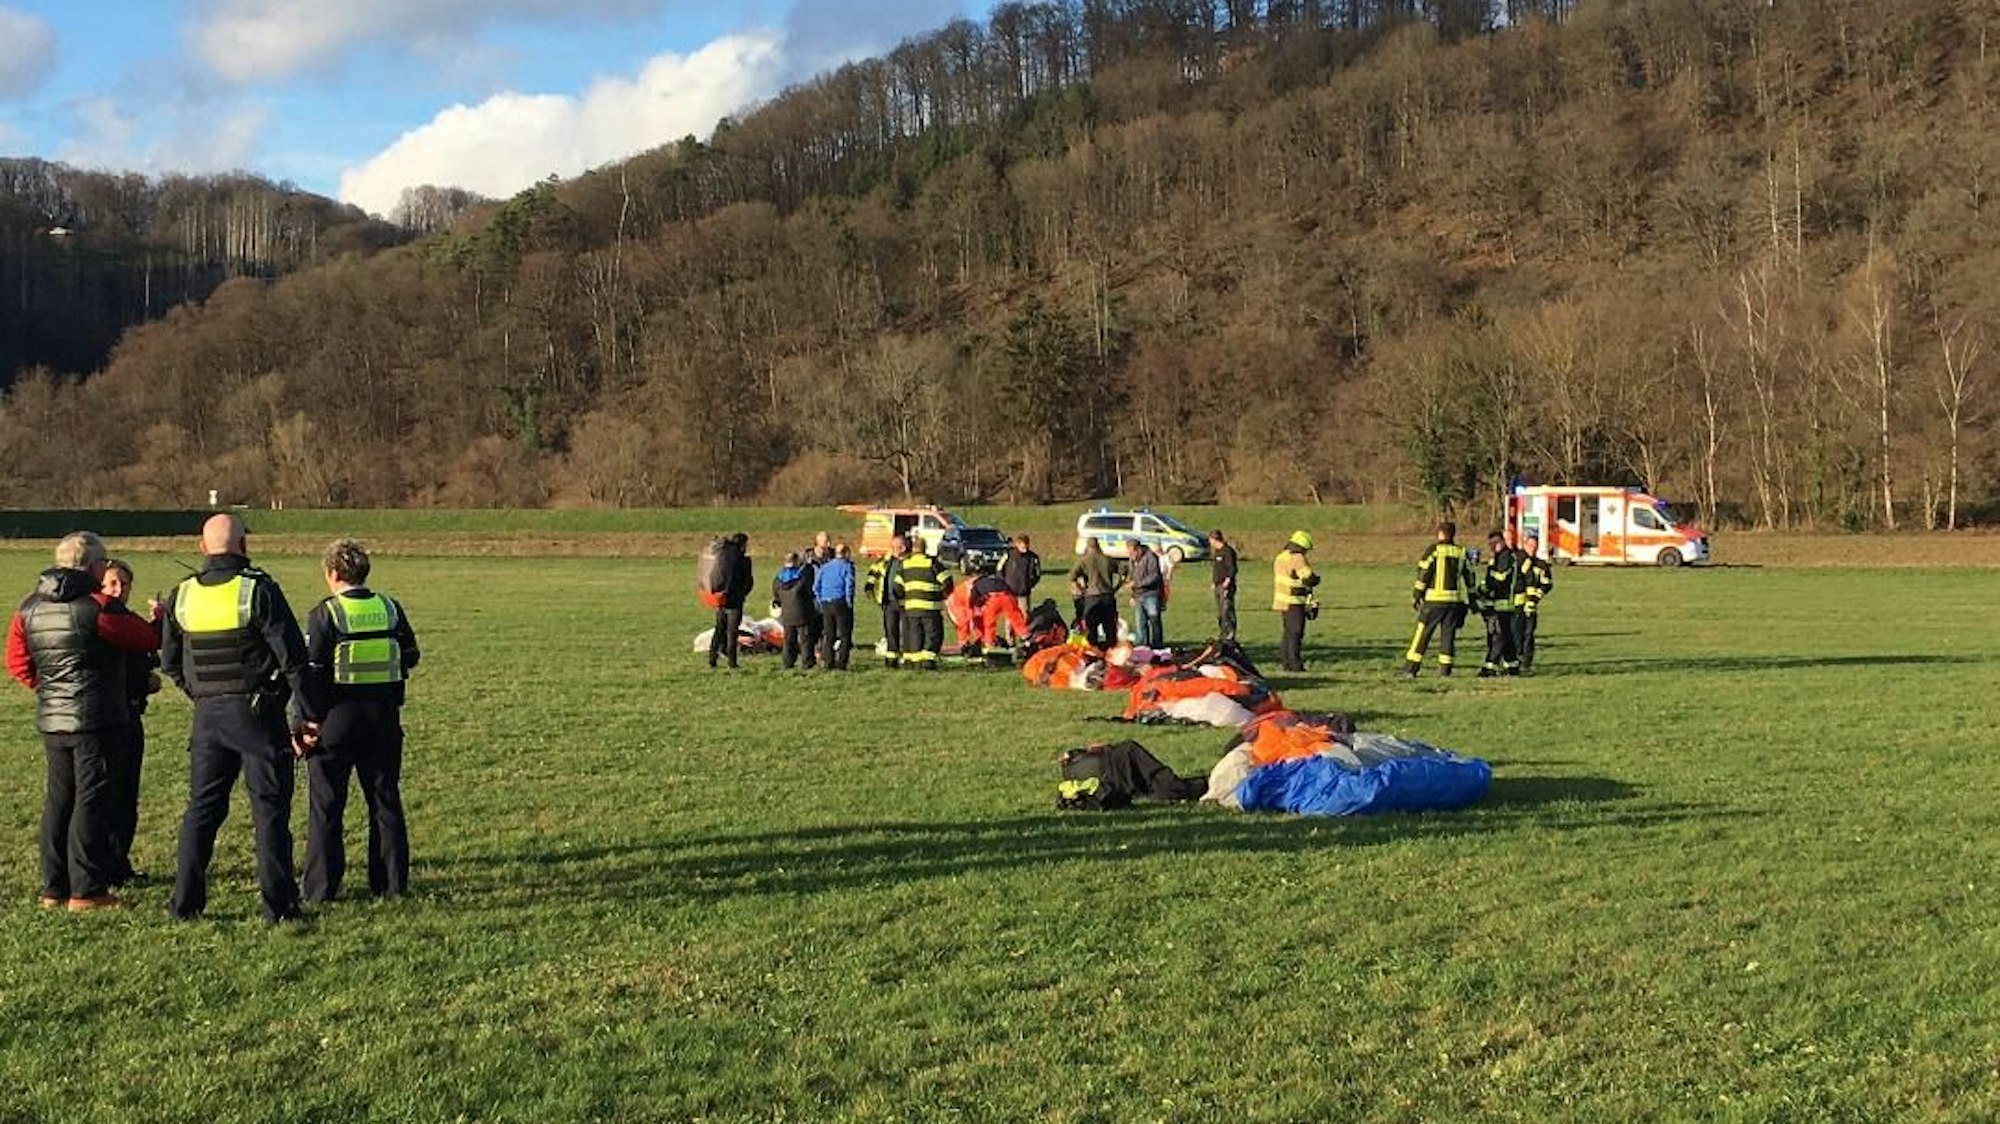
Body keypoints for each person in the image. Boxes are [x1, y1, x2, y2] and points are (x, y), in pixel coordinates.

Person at [163, 513, 317, 923]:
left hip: (207, 716)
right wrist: (306, 714)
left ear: (202, 547)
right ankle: (279, 907)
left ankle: (185, 904)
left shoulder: (181, 595)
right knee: (268, 810)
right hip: (256, 713)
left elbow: (170, 662)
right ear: (244, 547)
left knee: (202, 809)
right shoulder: (257, 590)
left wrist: (200, 694)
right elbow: (293, 658)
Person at [6, 532, 161, 911]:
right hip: (96, 719)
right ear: (94, 567)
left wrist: (50, 691)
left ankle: (53, 887)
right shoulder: (99, 607)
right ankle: (87, 889)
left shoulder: (28, 608)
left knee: (59, 800)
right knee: (91, 801)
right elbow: (144, 639)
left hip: (53, 718)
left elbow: (16, 661)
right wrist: (159, 620)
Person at [300, 538, 420, 903]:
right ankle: (391, 883)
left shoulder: (326, 614)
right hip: (382, 716)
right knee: (384, 800)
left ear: (332, 573)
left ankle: (321, 888)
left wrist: (309, 718)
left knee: (327, 805)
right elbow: (411, 655)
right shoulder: (390, 608)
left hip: (336, 719)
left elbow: (312, 671)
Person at [100, 559, 162, 886]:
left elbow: (147, 648)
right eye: (111, 583)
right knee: (113, 795)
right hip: (115, 716)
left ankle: (118, 862)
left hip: (130, 714)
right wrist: (145, 681)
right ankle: (110, 865)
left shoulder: (128, 619)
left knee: (126, 796)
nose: (118, 590)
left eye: (124, 584)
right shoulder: (106, 619)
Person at [1400, 522, 1474, 678]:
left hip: (1434, 601)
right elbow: (1470, 578)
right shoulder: (1461, 552)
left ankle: (1411, 668)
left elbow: (1424, 573)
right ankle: (1445, 670)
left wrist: (1417, 594)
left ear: (1440, 534)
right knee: (1448, 637)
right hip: (1454, 602)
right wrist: (1472, 599)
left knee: (1423, 634)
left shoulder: (1433, 551)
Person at [1477, 529, 1526, 677]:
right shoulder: (1499, 557)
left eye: (1495, 543)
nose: (1492, 546)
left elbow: (1500, 578)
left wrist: (1484, 588)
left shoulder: (1505, 557)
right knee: (1506, 636)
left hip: (1504, 603)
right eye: (1490, 544)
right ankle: (1512, 665)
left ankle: (1490, 666)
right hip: (1498, 603)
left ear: (1502, 542)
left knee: (1498, 637)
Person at [893, 540, 950, 669]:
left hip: (912, 608)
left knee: (915, 635)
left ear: (912, 549)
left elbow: (896, 587)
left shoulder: (905, 564)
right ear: (925, 548)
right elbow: (947, 582)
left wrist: (905, 598)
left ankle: (915, 663)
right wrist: (941, 595)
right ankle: (928, 663)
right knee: (932, 635)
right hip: (931, 608)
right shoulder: (932, 563)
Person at [1272, 531, 1320, 673]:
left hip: (1281, 600)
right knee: (1296, 633)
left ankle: (1286, 662)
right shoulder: (1297, 558)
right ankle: (1295, 665)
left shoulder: (1280, 557)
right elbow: (1308, 578)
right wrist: (1317, 579)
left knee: (1288, 633)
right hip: (1294, 600)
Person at [1069, 537, 1124, 649]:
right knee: (1109, 626)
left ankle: (1094, 650)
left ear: (1088, 547)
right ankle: (1112, 649)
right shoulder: (1107, 559)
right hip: (1108, 595)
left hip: (1092, 597)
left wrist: (1081, 589)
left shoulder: (1084, 560)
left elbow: (1072, 577)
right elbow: (1124, 569)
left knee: (1091, 626)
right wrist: (1117, 586)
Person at [708, 533, 753, 669]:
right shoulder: (743, 560)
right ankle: (732, 661)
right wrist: (743, 593)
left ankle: (712, 658)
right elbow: (748, 581)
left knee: (719, 629)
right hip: (735, 600)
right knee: (732, 632)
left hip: (721, 599)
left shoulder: (722, 556)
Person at [772, 551, 818, 670]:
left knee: (788, 640)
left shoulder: (779, 578)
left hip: (787, 612)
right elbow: (808, 589)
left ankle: (788, 662)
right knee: (805, 639)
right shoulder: (801, 576)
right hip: (802, 611)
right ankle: (807, 662)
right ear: (796, 561)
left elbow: (776, 594)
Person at [814, 543, 857, 670]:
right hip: (841, 602)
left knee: (829, 634)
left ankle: (828, 661)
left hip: (826, 602)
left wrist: (821, 599)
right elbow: (849, 585)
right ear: (846, 553)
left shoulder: (825, 567)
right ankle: (842, 662)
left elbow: (816, 586)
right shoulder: (847, 567)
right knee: (844, 635)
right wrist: (849, 602)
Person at [969, 564, 1028, 654]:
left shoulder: (977, 583)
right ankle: (1026, 638)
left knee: (989, 623)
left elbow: (973, 599)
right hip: (1007, 596)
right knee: (1017, 619)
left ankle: (990, 644)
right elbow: (1011, 591)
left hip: (993, 599)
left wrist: (978, 605)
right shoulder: (999, 580)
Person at [870, 536, 910, 667]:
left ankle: (908, 658)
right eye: (892, 547)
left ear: (903, 547)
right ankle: (891, 660)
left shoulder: (910, 561)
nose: (892, 550)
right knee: (891, 632)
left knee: (907, 631)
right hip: (888, 602)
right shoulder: (887, 562)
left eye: (895, 547)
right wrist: (869, 586)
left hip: (906, 602)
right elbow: (874, 571)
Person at [1519, 531, 1554, 673]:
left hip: (1531, 606)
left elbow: (1547, 584)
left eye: (1535, 545)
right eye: (1530, 545)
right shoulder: (1518, 561)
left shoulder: (1542, 565)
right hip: (1516, 605)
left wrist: (1537, 597)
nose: (1532, 548)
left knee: (1528, 635)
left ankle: (1527, 662)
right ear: (1524, 545)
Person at [1128, 540, 1166, 649]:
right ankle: (1143, 646)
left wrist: (1137, 584)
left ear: (1138, 549)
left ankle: (1157, 646)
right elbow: (1132, 577)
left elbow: (1154, 576)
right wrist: (1132, 595)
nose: (1131, 556)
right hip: (1138, 595)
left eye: (1132, 553)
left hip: (1151, 595)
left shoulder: (1151, 557)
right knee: (1140, 623)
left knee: (1154, 621)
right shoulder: (1132, 560)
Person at [1209, 531, 1238, 642]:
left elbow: (1232, 568)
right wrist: (1213, 582)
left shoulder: (1228, 551)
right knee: (1220, 612)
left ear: (1215, 539)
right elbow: (1216, 569)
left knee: (1227, 610)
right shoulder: (1216, 552)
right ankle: (1222, 633)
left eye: (1211, 540)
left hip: (1226, 586)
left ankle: (1230, 635)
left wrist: (1228, 580)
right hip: (1217, 585)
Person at [1002, 535, 1041, 600]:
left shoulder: (1033, 557)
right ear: (1017, 544)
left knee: (1024, 610)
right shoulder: (1009, 555)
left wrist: (1030, 585)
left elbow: (1037, 573)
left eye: (1026, 546)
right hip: (1009, 592)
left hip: (1024, 593)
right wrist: (1003, 584)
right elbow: (999, 569)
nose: (1025, 549)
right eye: (1023, 547)